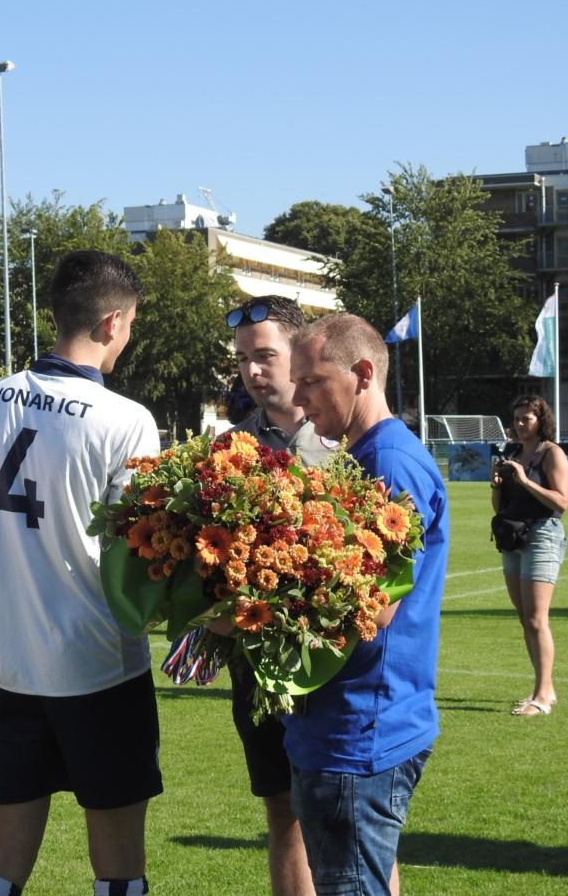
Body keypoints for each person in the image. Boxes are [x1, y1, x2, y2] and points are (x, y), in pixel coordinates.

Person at [0, 250, 162, 896]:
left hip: (7, 667)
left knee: (1, 868)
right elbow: (136, 560)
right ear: (113, 322)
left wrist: (13, 547)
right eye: (133, 324)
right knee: (118, 869)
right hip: (99, 669)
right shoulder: (128, 422)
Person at [284, 313, 449, 896]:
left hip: (359, 728)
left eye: (311, 381)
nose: (299, 399)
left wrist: (245, 609)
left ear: (361, 373)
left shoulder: (388, 462)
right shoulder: (368, 454)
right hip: (355, 722)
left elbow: (371, 609)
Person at [223, 295, 333, 896]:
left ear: (301, 351)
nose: (253, 371)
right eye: (243, 360)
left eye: (264, 355)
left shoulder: (345, 441)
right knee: (282, 814)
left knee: (348, 818)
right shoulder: (231, 451)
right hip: (256, 665)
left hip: (336, 664)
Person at [491, 395, 568, 717]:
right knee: (525, 618)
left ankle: (541, 696)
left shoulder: (551, 453)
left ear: (541, 420)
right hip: (512, 537)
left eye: (527, 418)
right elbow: (499, 506)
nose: (521, 424)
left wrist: (523, 479)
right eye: (517, 418)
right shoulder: (510, 453)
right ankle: (544, 688)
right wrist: (497, 485)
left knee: (538, 619)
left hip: (542, 535)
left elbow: (561, 502)